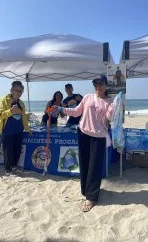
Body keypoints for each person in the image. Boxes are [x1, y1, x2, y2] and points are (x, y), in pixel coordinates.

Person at [57, 77, 115, 212]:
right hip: (82, 133)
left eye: (100, 86)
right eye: (96, 86)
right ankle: (85, 191)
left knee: (95, 166)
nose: (98, 88)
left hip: (98, 136)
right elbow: (77, 111)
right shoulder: (88, 97)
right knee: (84, 163)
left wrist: (113, 108)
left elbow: (108, 119)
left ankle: (92, 197)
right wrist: (62, 108)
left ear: (106, 86)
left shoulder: (110, 101)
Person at [0, 81, 30, 176]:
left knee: (17, 150)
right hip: (7, 130)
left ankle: (14, 166)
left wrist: (27, 129)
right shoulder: (4, 100)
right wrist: (10, 111)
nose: (19, 93)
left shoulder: (21, 103)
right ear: (12, 90)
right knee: (8, 151)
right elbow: (0, 116)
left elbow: (23, 118)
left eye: (21, 91)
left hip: (18, 130)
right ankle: (8, 170)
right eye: (17, 90)